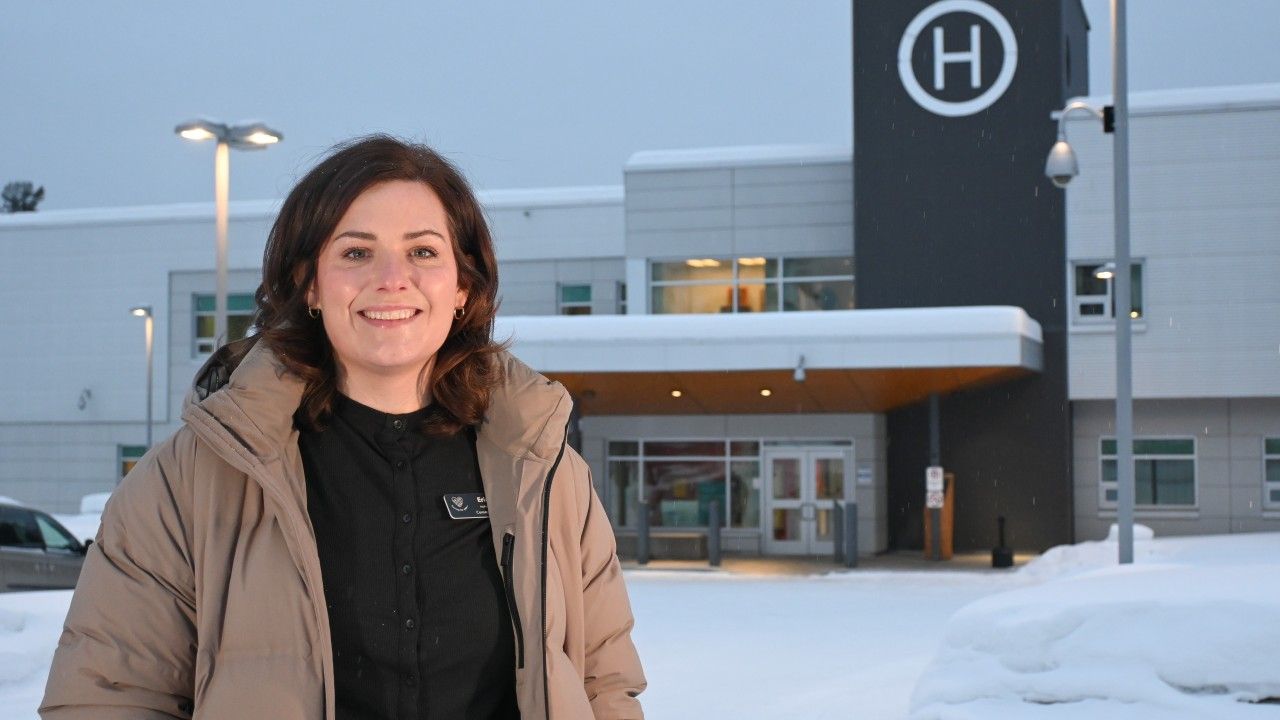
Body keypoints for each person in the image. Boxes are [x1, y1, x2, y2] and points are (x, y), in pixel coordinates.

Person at [40, 135, 646, 719]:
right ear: (309, 283)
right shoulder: (192, 479)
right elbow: (109, 696)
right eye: (356, 252)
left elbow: (604, 685)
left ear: (463, 284)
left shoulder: (542, 470)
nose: (391, 278)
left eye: (423, 251)